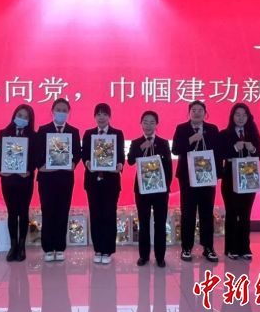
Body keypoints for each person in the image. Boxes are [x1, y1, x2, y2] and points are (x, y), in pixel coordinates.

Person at [172, 101, 221, 263]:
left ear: (205, 113)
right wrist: (191, 139)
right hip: (187, 178)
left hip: (207, 176)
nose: (197, 113)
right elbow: (175, 149)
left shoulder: (212, 129)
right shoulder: (182, 129)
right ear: (189, 113)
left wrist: (217, 174)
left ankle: (208, 248)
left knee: (207, 212)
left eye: (200, 110)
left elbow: (218, 153)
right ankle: (186, 247)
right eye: (193, 110)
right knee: (188, 213)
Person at [36, 98, 81, 262]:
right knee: (48, 211)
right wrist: (41, 166)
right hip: (47, 178)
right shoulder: (43, 130)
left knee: (63, 211)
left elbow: (78, 153)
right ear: (52, 111)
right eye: (58, 110)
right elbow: (36, 151)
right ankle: (48, 247)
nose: (61, 113)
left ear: (68, 113)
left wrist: (73, 164)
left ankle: (60, 247)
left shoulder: (73, 131)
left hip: (65, 178)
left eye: (64, 111)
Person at [127, 111, 172, 268]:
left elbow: (168, 166)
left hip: (160, 190)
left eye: (152, 122)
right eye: (145, 122)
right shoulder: (136, 142)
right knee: (144, 223)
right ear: (141, 124)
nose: (148, 125)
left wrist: (166, 186)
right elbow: (130, 161)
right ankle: (144, 256)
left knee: (160, 223)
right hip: (142, 190)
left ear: (156, 125)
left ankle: (160, 257)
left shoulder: (163, 143)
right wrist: (141, 147)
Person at [82, 103, 125, 265]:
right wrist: (88, 163)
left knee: (109, 214)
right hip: (92, 181)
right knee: (95, 215)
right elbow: (84, 154)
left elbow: (121, 155)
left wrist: (120, 164)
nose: (101, 117)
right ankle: (98, 249)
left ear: (109, 116)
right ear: (94, 116)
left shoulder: (117, 134)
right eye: (98, 114)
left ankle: (107, 249)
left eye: (105, 114)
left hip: (111, 181)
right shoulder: (89, 134)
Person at [220, 103, 260, 261]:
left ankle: (245, 247)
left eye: (244, 115)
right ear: (232, 116)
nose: (240, 118)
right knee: (232, 213)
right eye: (237, 114)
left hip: (249, 179)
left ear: (248, 117)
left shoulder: (252, 133)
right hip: (230, 179)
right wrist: (234, 148)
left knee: (245, 214)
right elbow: (220, 154)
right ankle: (231, 248)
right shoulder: (225, 134)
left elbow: (259, 156)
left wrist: (252, 149)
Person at [0, 104, 36, 262]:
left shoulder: (33, 136)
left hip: (25, 180)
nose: (22, 119)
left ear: (30, 120)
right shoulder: (4, 133)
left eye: (26, 117)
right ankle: (13, 246)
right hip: (8, 180)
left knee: (23, 212)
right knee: (12, 213)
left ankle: (22, 246)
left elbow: (36, 156)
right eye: (20, 115)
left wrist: (29, 170)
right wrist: (1, 171)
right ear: (14, 116)